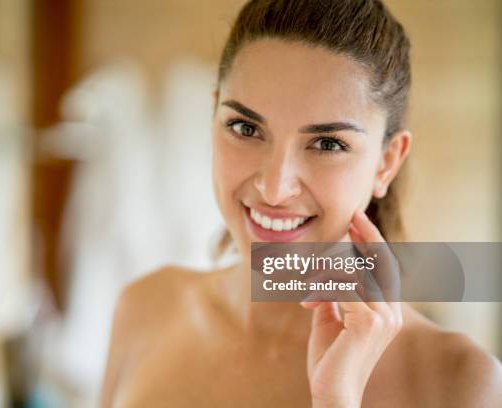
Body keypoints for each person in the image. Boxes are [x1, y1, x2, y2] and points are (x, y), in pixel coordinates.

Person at [101, 0, 502, 406]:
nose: (274, 188)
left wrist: (336, 399)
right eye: (245, 127)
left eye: (327, 143)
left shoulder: (460, 383)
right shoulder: (142, 310)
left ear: (386, 162)